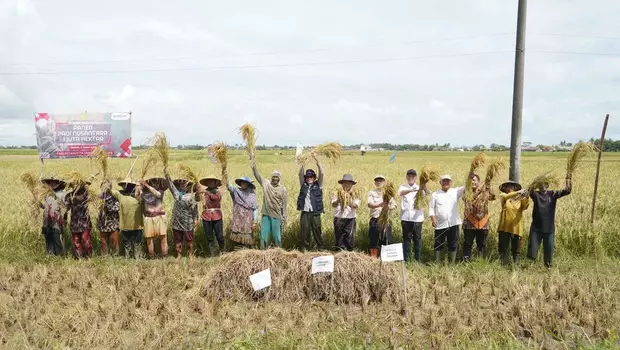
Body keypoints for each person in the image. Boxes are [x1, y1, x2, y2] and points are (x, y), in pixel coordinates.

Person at [527, 175, 572, 267]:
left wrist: (568, 178)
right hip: (536, 227)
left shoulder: (553, 194)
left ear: (547, 185)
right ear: (538, 186)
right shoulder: (535, 195)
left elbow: (567, 191)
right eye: (540, 184)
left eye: (544, 184)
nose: (542, 186)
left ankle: (547, 266)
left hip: (549, 228)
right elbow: (528, 191)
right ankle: (530, 267)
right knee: (532, 251)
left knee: (549, 249)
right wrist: (535, 182)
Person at [250, 154, 288, 250]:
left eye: (277, 177)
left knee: (277, 237)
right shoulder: (266, 184)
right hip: (266, 215)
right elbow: (256, 174)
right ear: (271, 177)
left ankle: (279, 253)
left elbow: (284, 205)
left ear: (279, 178)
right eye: (274, 177)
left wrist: (284, 217)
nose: (275, 179)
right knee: (263, 236)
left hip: (276, 216)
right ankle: (263, 253)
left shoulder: (282, 189)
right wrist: (253, 161)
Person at [429, 175, 465, 264]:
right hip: (440, 224)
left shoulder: (455, 192)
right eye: (444, 181)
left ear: (451, 183)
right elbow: (431, 208)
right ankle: (437, 262)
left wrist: (471, 175)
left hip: (453, 223)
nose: (446, 182)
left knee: (453, 244)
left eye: (448, 181)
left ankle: (452, 263)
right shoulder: (435, 194)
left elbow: (466, 186)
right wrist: (433, 219)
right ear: (440, 182)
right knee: (438, 243)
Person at [462, 173, 496, 262]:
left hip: (483, 223)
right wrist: (480, 190)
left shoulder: (484, 192)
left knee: (482, 244)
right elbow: (469, 198)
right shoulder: (466, 191)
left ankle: (481, 261)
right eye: (471, 180)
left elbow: (493, 197)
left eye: (474, 180)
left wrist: (488, 185)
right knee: (467, 243)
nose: (472, 182)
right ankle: (466, 261)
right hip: (469, 224)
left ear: (478, 182)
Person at [166, 169, 199, 260]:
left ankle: (190, 255)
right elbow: (170, 185)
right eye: (180, 183)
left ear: (188, 185)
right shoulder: (176, 193)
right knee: (178, 240)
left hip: (188, 221)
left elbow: (195, 209)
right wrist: (166, 173)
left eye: (184, 183)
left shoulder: (192, 195)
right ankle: (179, 255)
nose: (182, 184)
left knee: (190, 240)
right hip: (177, 221)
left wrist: (195, 218)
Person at [108, 178, 144, 259]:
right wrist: (108, 182)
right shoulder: (120, 195)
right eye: (125, 185)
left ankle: (137, 257)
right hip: (125, 225)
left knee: (137, 242)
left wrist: (142, 186)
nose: (126, 186)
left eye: (128, 185)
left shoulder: (138, 196)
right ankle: (128, 257)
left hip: (137, 225)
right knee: (126, 243)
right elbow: (109, 190)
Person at [497, 181, 529, 266]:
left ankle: (515, 265)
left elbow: (525, 206)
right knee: (503, 247)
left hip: (516, 226)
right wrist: (519, 192)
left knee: (516, 248)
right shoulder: (504, 196)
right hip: (504, 226)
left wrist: (526, 196)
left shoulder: (520, 198)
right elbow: (507, 196)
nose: (509, 188)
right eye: (507, 186)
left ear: (515, 187)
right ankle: (503, 264)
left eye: (511, 186)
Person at [297, 157, 325, 251]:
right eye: (308, 177)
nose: (309, 178)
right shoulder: (303, 185)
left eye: (311, 177)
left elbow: (322, 173)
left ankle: (320, 247)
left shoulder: (318, 185)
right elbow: (300, 174)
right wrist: (302, 163)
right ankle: (305, 248)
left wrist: (318, 162)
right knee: (305, 230)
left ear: (314, 178)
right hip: (305, 212)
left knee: (317, 229)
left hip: (315, 212)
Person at [399, 169, 426, 262]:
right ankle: (406, 259)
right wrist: (412, 189)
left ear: (416, 178)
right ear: (406, 177)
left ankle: (417, 259)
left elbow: (427, 193)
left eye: (413, 176)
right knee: (406, 239)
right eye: (409, 176)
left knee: (417, 239)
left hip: (417, 219)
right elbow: (400, 193)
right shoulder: (402, 187)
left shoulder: (420, 187)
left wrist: (423, 186)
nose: (411, 177)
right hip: (405, 218)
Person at [367, 175, 397, 258]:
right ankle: (373, 258)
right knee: (374, 240)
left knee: (387, 239)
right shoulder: (371, 193)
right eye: (377, 180)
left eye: (381, 180)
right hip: (375, 219)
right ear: (375, 182)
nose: (379, 182)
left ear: (384, 182)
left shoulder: (389, 192)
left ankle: (386, 258)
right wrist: (380, 204)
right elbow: (370, 204)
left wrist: (388, 208)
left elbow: (394, 205)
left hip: (386, 220)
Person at [138, 177, 168, 258]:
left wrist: (146, 185)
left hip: (160, 217)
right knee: (149, 238)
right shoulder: (144, 193)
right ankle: (151, 256)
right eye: (153, 182)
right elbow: (137, 197)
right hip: (149, 218)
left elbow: (157, 194)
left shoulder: (160, 192)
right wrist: (139, 188)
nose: (155, 183)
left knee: (163, 237)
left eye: (157, 182)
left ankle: (164, 256)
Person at [331, 174, 360, 251]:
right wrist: (339, 200)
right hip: (338, 217)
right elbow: (333, 204)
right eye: (345, 182)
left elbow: (356, 205)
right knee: (339, 236)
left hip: (350, 218)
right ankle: (339, 253)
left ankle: (350, 253)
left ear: (351, 184)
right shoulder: (336, 193)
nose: (346, 184)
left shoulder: (355, 193)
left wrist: (347, 200)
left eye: (349, 183)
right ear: (342, 184)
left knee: (349, 237)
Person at [228, 176, 259, 249]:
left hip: (247, 220)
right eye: (242, 182)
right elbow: (229, 187)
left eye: (245, 182)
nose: (243, 184)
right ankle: (237, 252)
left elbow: (255, 209)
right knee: (237, 238)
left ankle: (246, 253)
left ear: (248, 184)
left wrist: (255, 221)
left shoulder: (252, 194)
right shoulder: (236, 191)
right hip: (238, 219)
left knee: (246, 239)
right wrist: (224, 173)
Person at [65, 181, 93, 259]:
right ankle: (79, 258)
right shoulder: (69, 196)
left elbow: (93, 200)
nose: (76, 186)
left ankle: (89, 257)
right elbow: (66, 208)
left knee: (85, 240)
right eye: (74, 184)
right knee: (76, 241)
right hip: (75, 222)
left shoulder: (86, 194)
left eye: (78, 184)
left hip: (85, 221)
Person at [40, 178, 66, 256]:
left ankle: (59, 255)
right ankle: (50, 254)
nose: (52, 185)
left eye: (54, 183)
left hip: (56, 220)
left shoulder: (61, 194)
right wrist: (39, 203)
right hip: (47, 219)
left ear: (58, 184)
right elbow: (45, 206)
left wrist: (65, 219)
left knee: (56, 237)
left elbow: (65, 207)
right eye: (50, 183)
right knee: (48, 237)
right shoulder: (46, 195)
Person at [199, 175, 224, 256]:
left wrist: (206, 192)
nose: (210, 182)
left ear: (216, 183)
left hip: (217, 216)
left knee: (219, 236)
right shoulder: (204, 192)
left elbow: (215, 198)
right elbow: (197, 199)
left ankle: (222, 251)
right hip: (206, 216)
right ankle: (212, 253)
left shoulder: (218, 192)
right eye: (209, 181)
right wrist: (197, 192)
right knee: (209, 237)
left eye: (212, 181)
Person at [97, 179, 120, 256]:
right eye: (103, 186)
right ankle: (104, 255)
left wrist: (108, 208)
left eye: (106, 186)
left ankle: (116, 255)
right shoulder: (99, 197)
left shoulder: (115, 196)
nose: (105, 188)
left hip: (113, 221)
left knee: (114, 239)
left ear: (110, 187)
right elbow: (96, 207)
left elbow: (117, 207)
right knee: (103, 240)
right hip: (103, 221)